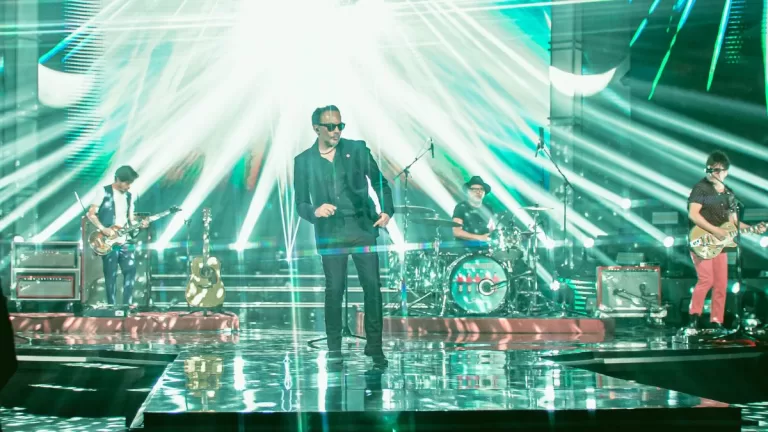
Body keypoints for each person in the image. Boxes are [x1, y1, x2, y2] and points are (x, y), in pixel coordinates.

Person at [294, 105, 394, 367]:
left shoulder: (357, 149)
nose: (336, 131)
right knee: (334, 289)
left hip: (362, 228)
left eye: (340, 126)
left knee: (372, 287)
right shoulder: (303, 161)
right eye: (330, 127)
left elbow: (380, 182)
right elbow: (301, 203)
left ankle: (375, 347)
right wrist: (315, 211)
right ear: (316, 128)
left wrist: (386, 210)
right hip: (331, 233)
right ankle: (334, 348)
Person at [687, 151, 765, 331]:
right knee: (706, 279)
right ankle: (694, 318)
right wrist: (716, 230)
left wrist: (753, 228)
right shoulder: (701, 189)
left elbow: (733, 223)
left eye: (716, 170)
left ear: (725, 172)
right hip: (701, 241)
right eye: (709, 169)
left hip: (719, 244)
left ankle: (716, 321)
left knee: (721, 283)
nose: (712, 173)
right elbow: (693, 214)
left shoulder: (729, 194)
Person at [87, 165, 148, 306]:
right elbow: (91, 214)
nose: (129, 186)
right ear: (118, 179)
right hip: (108, 241)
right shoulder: (103, 191)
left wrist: (140, 224)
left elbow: (131, 219)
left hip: (125, 239)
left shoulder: (129, 196)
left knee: (131, 270)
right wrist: (103, 229)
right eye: (127, 183)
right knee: (111, 273)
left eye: (130, 183)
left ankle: (127, 305)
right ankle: (112, 306)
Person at [452, 176, 495, 246]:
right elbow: (456, 232)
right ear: (468, 192)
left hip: (484, 248)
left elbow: (492, 229)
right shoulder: (461, 207)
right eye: (474, 189)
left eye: (481, 189)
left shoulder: (488, 208)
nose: (478, 192)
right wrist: (480, 238)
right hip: (465, 248)